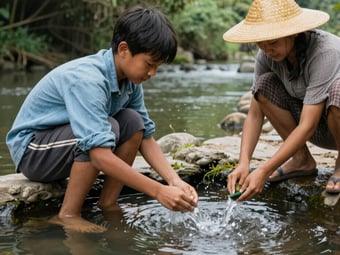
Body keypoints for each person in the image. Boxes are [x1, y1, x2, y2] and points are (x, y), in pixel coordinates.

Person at [6, 6, 198, 233]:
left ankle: (107, 202)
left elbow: (145, 135)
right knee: (107, 129)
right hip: (33, 152)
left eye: (157, 67)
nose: (152, 73)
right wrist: (158, 191)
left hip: (61, 144)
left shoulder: (129, 81)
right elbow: (98, 155)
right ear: (124, 49)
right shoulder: (88, 80)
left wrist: (174, 181)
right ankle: (67, 215)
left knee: (133, 121)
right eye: (149, 64)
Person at [223, 0, 340, 200]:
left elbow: (308, 125)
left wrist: (265, 170)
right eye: (261, 42)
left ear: (293, 33)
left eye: (273, 42)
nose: (267, 49)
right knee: (263, 85)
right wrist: (243, 163)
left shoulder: (326, 51)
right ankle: (301, 159)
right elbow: (254, 114)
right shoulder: (266, 56)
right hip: (322, 126)